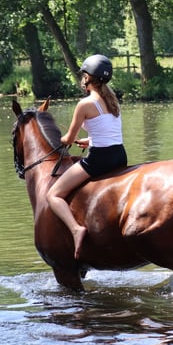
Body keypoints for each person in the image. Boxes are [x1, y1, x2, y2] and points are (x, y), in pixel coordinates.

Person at [46, 54, 127, 259]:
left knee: (53, 195)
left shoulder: (85, 104)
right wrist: (90, 140)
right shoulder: (112, 99)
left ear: (88, 78)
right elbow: (110, 131)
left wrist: (62, 138)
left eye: (84, 75)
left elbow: (68, 138)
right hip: (119, 154)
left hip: (100, 158)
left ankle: (75, 229)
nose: (82, 78)